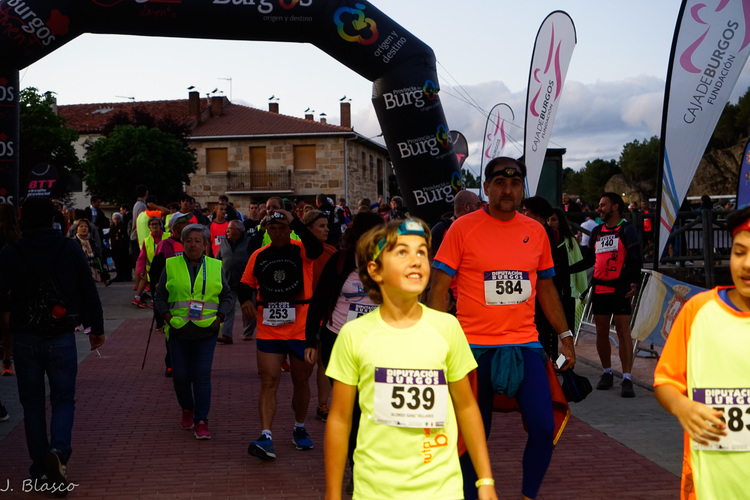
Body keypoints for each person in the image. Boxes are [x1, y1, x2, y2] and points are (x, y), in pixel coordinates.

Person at [428, 156, 576, 500]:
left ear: (522, 189)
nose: (507, 190)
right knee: (472, 435)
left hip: (525, 345)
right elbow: (438, 286)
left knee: (543, 426)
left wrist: (565, 335)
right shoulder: (462, 228)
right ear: (486, 187)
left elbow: (546, 288)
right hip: (471, 348)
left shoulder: (536, 231)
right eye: (499, 183)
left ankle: (527, 495)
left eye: (515, 184)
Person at [325, 218, 498, 500]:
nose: (416, 260)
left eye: (422, 252)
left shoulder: (447, 328)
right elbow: (340, 419)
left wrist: (485, 479)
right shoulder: (353, 335)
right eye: (402, 252)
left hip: (442, 489)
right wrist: (332, 493)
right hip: (374, 491)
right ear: (375, 270)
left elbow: (466, 407)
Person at [0, 197, 105, 491]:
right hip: (60, 334)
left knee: (32, 404)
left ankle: (39, 466)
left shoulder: (10, 251)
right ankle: (58, 450)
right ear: (52, 219)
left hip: (24, 336)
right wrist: (96, 328)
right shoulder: (68, 247)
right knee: (63, 399)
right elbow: (88, 289)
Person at [653, 206, 750, 500]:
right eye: (740, 252)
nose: (747, 264)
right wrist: (682, 407)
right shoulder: (698, 310)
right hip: (709, 481)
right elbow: (665, 382)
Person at [239, 208, 323, 459]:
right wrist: (245, 300)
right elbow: (244, 283)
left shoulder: (302, 250)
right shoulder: (259, 255)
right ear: (267, 231)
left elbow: (316, 250)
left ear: (289, 229)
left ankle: (299, 427)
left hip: (301, 329)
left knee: (301, 380)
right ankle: (266, 436)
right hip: (269, 329)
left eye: (282, 228)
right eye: (272, 229)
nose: (277, 233)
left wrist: (295, 222)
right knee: (269, 381)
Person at [154, 224, 232, 440]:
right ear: (183, 243)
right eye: (189, 240)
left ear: (205, 244)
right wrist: (167, 318)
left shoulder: (215, 266)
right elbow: (160, 295)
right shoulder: (171, 264)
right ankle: (187, 407)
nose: (193, 245)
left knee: (202, 375)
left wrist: (219, 318)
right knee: (180, 376)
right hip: (178, 330)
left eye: (198, 241)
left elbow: (226, 296)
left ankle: (201, 420)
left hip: (207, 330)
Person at [569, 192, 641, 398]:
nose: (599, 209)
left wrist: (634, 283)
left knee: (623, 331)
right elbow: (589, 260)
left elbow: (636, 258)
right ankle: (607, 372)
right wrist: (566, 269)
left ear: (615, 206)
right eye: (599, 205)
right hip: (600, 288)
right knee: (601, 332)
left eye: (603, 205)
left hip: (621, 288)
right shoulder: (597, 232)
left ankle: (627, 377)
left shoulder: (627, 229)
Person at [300, 209, 339, 422]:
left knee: (325, 361)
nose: (327, 230)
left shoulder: (332, 252)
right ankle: (301, 400)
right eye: (321, 226)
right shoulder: (298, 250)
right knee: (306, 364)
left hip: (327, 313)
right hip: (304, 314)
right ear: (308, 229)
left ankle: (323, 404)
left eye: (327, 226)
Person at [215, 220, 256, 344]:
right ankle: (226, 335)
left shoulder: (249, 242)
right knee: (228, 308)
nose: (227, 231)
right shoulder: (224, 243)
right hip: (228, 282)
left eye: (229, 229)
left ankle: (248, 332)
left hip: (246, 283)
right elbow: (218, 259)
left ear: (238, 231)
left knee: (249, 308)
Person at [430, 190, 482, 255]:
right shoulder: (440, 230)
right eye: (478, 205)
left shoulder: (476, 230)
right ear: (467, 207)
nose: (480, 209)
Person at [132, 216, 167, 307]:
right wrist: (140, 270)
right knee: (150, 282)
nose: (154, 226)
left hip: (166, 267)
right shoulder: (147, 241)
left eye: (156, 224)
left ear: (160, 225)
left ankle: (152, 300)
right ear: (149, 227)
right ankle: (150, 300)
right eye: (152, 224)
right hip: (152, 269)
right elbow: (142, 257)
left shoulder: (168, 236)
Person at [72, 219, 110, 284]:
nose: (84, 228)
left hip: (93, 269)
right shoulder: (73, 242)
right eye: (81, 226)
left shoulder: (92, 241)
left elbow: (98, 256)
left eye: (86, 226)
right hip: (79, 270)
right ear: (76, 229)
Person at [109, 212, 131, 283]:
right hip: (115, 247)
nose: (116, 220)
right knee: (117, 261)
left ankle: (124, 276)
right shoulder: (112, 227)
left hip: (122, 247)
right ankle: (119, 275)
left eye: (117, 219)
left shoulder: (122, 227)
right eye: (115, 219)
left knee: (122, 262)